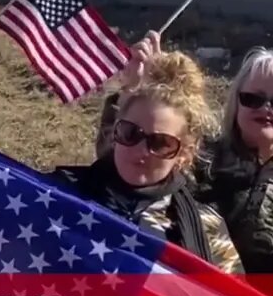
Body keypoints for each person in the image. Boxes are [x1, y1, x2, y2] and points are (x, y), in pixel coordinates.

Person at [0, 51, 240, 273]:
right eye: (131, 133)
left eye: (161, 143)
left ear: (185, 152)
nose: (141, 149)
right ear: (115, 130)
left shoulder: (205, 229)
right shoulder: (57, 194)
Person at [95, 34, 273, 273]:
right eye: (253, 98)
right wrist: (142, 93)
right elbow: (122, 163)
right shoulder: (198, 154)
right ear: (236, 100)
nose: (265, 109)